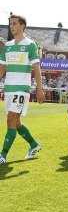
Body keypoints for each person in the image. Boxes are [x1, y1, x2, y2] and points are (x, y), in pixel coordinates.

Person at [0, 15, 45, 164]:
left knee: (11, 118)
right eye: (10, 24)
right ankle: (33, 144)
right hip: (8, 89)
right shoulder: (7, 45)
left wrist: (39, 89)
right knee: (16, 122)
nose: (11, 26)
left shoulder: (30, 45)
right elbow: (2, 67)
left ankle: (2, 156)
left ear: (22, 26)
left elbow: (36, 68)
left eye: (14, 24)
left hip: (21, 89)